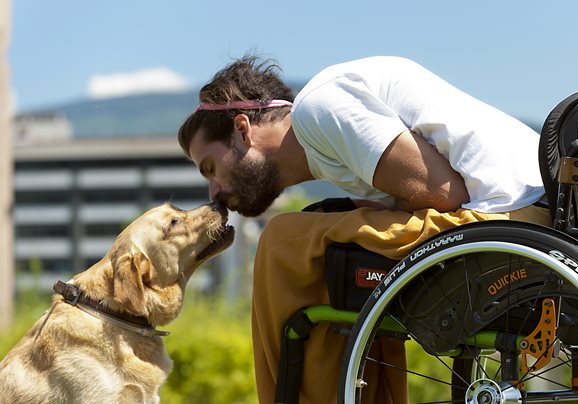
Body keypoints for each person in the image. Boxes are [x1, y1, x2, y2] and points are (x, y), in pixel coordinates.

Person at [178, 54, 550, 403]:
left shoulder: (319, 108)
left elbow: (443, 194)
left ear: (242, 130)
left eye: (210, 168)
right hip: (526, 211)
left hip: (507, 217)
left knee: (283, 240)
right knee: (320, 229)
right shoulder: (329, 138)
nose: (214, 193)